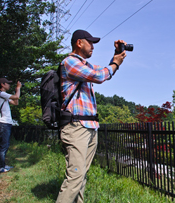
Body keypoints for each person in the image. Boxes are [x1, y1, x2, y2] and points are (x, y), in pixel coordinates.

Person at [56, 30, 127, 203]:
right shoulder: (70, 62)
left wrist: (115, 57)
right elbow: (99, 76)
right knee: (75, 176)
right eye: (90, 42)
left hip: (88, 127)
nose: (93, 46)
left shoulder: (84, 65)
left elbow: (104, 72)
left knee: (81, 175)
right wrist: (115, 64)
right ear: (79, 43)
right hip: (76, 126)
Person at [0, 78, 21, 173]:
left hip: (5, 123)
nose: (9, 85)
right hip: (3, 123)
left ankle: (2, 165)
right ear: (2, 84)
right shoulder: (1, 94)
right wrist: (18, 89)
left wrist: (16, 92)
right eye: (7, 83)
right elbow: (16, 97)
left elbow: (15, 102)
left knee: (4, 145)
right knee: (3, 145)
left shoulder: (3, 96)